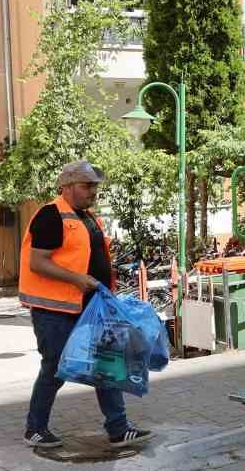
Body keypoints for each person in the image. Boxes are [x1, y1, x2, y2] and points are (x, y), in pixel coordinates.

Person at [19, 160, 150, 450]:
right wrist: (77, 279)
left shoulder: (86, 217)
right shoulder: (51, 216)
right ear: (66, 186)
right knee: (54, 368)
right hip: (57, 311)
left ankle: (118, 429)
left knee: (107, 363)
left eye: (95, 186)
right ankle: (35, 428)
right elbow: (37, 262)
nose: (93, 191)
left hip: (91, 306)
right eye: (86, 185)